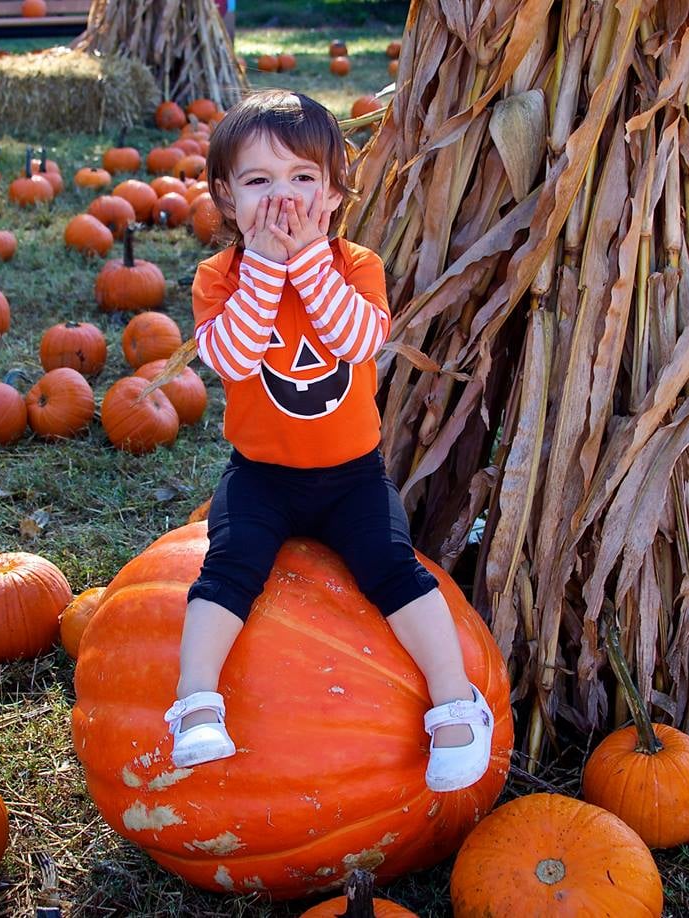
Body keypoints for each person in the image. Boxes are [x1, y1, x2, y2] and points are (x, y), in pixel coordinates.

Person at [163, 89, 494, 792]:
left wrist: (308, 260)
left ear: (336, 193)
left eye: (302, 180)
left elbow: (355, 340)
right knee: (228, 570)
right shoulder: (218, 279)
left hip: (351, 476)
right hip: (261, 476)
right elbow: (234, 358)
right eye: (259, 182)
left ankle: (455, 700)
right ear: (226, 199)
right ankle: (195, 700)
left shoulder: (356, 267)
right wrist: (261, 269)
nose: (282, 201)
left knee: (394, 568)